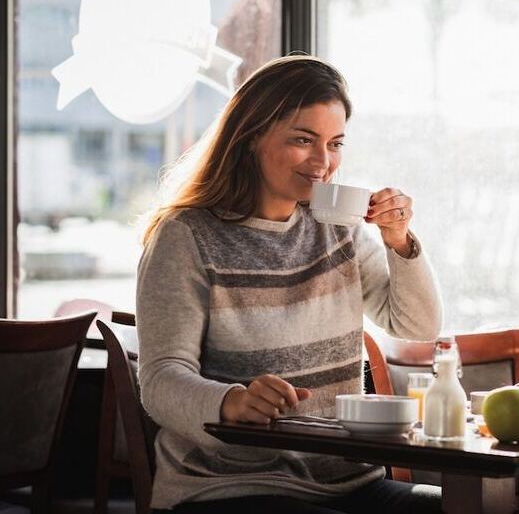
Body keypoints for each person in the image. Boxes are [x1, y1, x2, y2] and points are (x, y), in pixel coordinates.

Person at [136, 55, 444, 513]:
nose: (324, 162)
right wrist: (232, 402)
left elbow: (417, 325)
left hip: (347, 480)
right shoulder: (185, 237)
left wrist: (399, 242)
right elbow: (160, 381)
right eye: (304, 140)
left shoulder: (340, 228)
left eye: (335, 143)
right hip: (230, 486)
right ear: (251, 138)